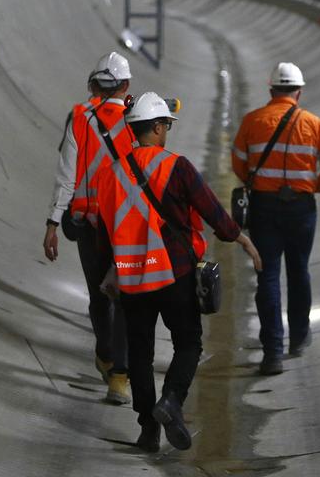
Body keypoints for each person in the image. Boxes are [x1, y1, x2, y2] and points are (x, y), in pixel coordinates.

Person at [93, 92, 262, 453]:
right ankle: (170, 400)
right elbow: (211, 211)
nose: (167, 130)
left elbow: (105, 231)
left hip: (134, 278)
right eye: (166, 125)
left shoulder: (111, 175)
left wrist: (113, 271)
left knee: (139, 353)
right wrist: (242, 240)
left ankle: (147, 430)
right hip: (175, 273)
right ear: (155, 127)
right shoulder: (177, 166)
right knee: (188, 343)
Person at [232, 62, 320, 376]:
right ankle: (298, 336)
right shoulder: (313, 123)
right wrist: (311, 188)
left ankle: (272, 353)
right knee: (299, 271)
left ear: (271, 90)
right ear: (299, 91)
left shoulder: (253, 121)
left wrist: (256, 182)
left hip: (264, 208)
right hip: (301, 208)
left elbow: (238, 164)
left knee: (267, 275)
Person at [44, 51, 134, 405]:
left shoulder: (79, 118)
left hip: (88, 225)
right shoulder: (137, 117)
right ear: (125, 84)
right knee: (124, 297)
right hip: (126, 225)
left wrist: (53, 222)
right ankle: (120, 378)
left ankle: (107, 355)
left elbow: (66, 174)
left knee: (99, 296)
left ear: (94, 84)